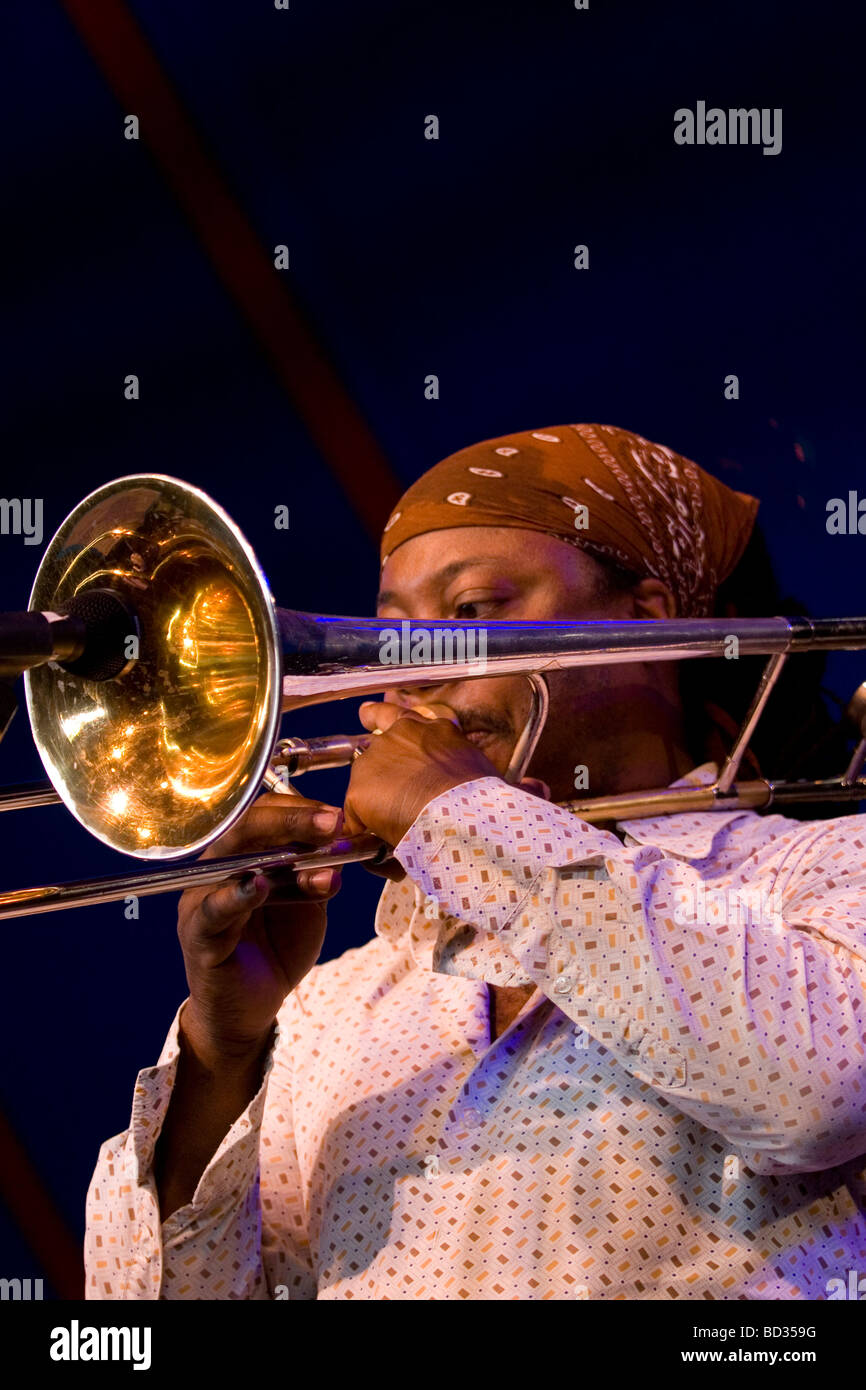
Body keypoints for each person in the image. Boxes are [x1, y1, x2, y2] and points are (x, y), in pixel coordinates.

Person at [84, 423, 866, 1300]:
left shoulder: (822, 869)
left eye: (471, 612)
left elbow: (817, 1098)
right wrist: (223, 1054)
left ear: (652, 622)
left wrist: (460, 817)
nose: (405, 672)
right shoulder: (331, 1005)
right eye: (386, 632)